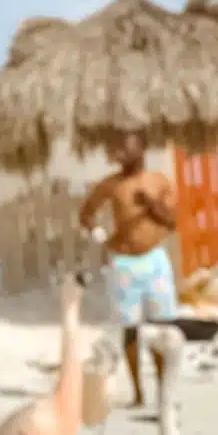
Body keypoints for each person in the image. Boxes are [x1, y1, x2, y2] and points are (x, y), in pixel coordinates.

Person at [78, 131, 181, 408]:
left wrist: (150, 204)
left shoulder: (158, 181)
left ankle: (164, 391)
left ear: (142, 149)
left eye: (127, 147)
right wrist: (100, 236)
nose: (121, 153)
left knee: (162, 326)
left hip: (154, 261)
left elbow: (171, 221)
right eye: (118, 148)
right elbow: (86, 212)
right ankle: (138, 392)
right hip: (123, 263)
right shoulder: (111, 185)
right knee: (129, 328)